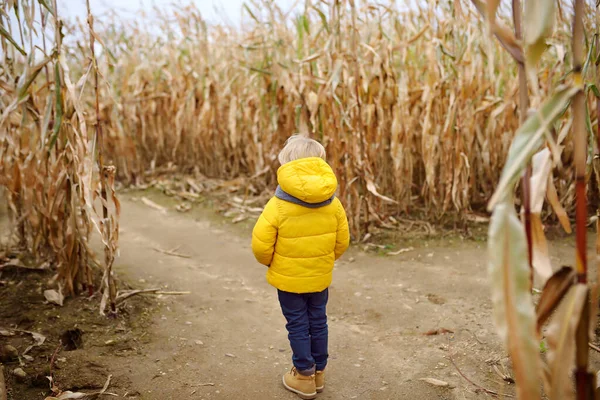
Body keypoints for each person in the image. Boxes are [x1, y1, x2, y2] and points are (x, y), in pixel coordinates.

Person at [251, 134, 350, 399]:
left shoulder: (278, 204)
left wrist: (274, 263)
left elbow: (261, 245)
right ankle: (320, 374)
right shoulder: (333, 202)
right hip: (319, 277)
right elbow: (342, 241)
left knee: (297, 323)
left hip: (289, 280)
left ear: (287, 163)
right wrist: (323, 261)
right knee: (318, 322)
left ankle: (304, 374)